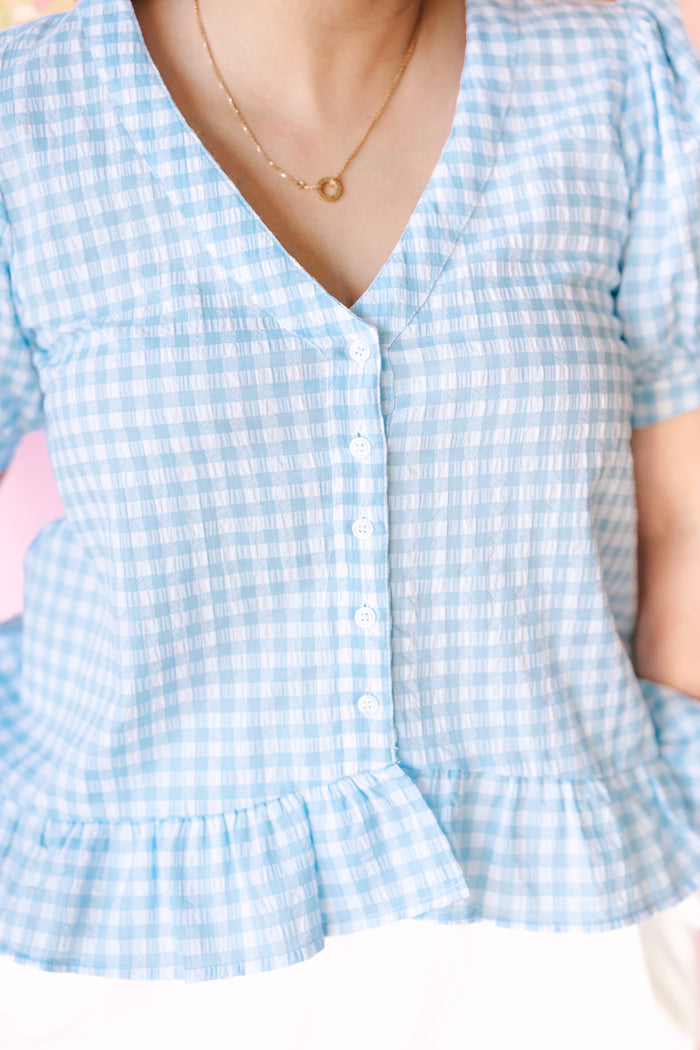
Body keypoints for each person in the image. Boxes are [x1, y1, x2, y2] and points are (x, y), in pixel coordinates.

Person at [0, 0, 699, 1046]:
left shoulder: (622, 74)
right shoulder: (27, 113)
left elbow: (682, 519)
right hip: (120, 941)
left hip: (581, 929)